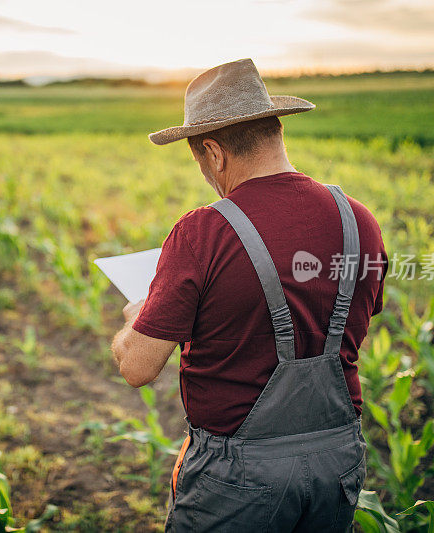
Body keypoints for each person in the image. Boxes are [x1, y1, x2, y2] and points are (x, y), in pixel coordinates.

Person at [110, 58, 388, 532]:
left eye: (199, 159)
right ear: (278, 130)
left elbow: (137, 367)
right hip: (338, 462)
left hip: (237, 476)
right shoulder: (358, 219)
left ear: (212, 152)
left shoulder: (204, 231)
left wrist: (138, 316)